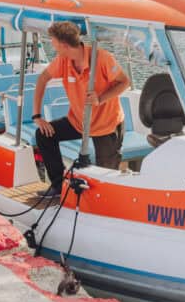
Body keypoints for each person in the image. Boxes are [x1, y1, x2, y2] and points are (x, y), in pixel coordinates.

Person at [33, 21, 130, 198]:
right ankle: (58, 186)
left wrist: (99, 99)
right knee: (44, 135)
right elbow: (42, 79)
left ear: (64, 45)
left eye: (53, 43)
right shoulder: (62, 61)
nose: (52, 46)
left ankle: (104, 205)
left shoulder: (102, 58)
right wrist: (37, 116)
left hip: (106, 125)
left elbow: (125, 82)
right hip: (78, 122)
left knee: (106, 178)